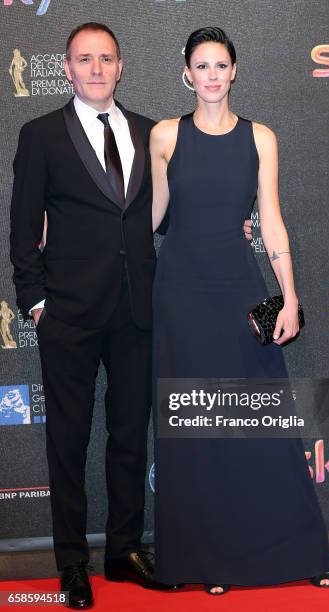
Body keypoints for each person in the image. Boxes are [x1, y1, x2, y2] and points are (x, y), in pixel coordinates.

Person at [150, 27, 329, 595]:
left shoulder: (261, 139)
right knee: (197, 429)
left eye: (220, 64)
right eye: (200, 65)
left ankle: (298, 551)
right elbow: (153, 217)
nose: (210, 74)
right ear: (186, 72)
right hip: (180, 295)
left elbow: (272, 220)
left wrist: (292, 294)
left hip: (237, 289)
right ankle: (208, 560)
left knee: (261, 424)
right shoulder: (163, 136)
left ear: (234, 71)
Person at [10, 22, 176, 609]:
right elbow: (23, 231)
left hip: (136, 311)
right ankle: (72, 562)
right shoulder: (41, 136)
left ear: (121, 65)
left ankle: (125, 551)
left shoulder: (150, 133)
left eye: (107, 58)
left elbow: (163, 214)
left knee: (130, 435)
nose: (97, 68)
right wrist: (36, 303)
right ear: (68, 67)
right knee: (68, 440)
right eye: (85, 59)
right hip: (70, 316)